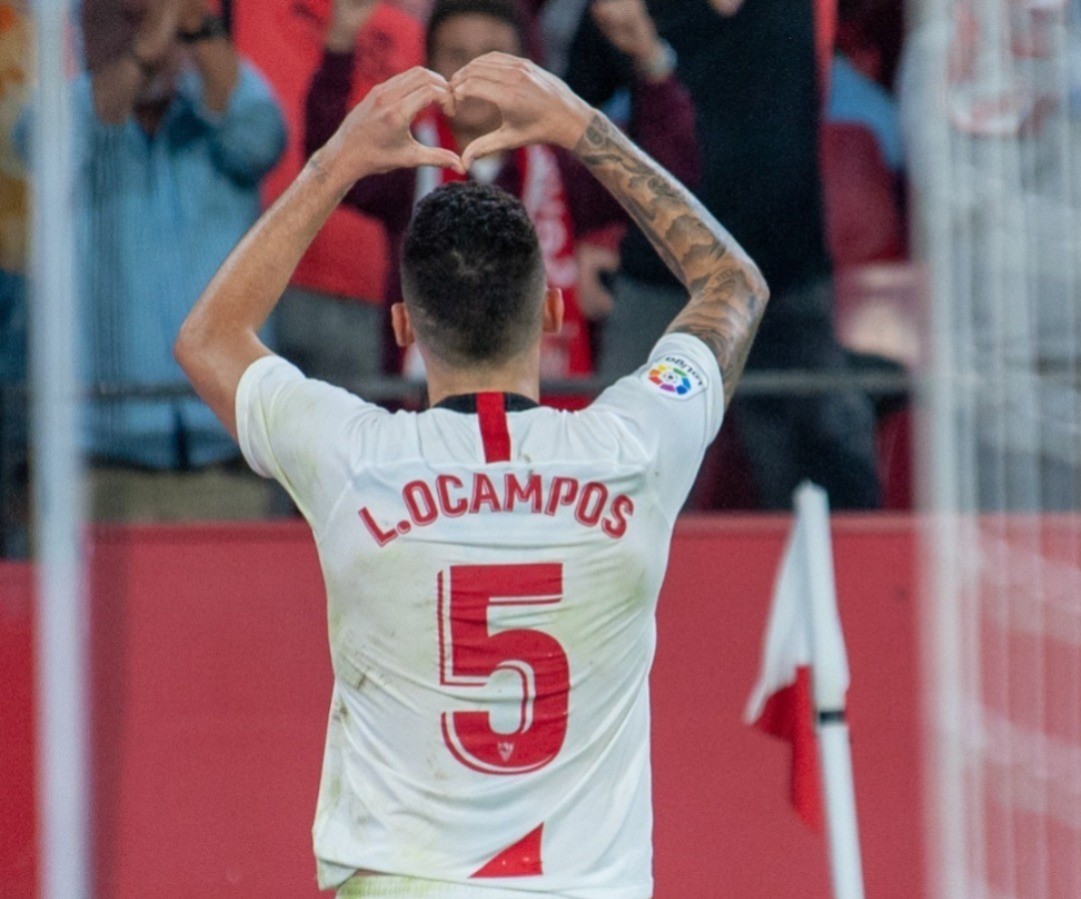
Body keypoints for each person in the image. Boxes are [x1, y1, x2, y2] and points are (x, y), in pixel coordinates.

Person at [175, 54, 767, 898]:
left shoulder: (355, 459)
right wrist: (580, 128)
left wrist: (338, 159)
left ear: (404, 326)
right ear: (553, 309)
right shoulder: (633, 449)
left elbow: (210, 339)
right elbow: (731, 285)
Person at [567, 0, 882, 510]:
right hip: (659, 276)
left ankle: (849, 593)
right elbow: (568, 115)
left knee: (825, 487)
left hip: (787, 277)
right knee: (620, 477)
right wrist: (583, 233)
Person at [304, 0, 699, 381]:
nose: (473, 75)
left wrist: (649, 55)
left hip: (547, 417)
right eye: (455, 54)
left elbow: (663, 182)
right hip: (426, 416)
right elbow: (329, 166)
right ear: (428, 67)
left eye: (492, 59)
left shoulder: (561, 168)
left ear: (528, 70)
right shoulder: (407, 165)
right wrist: (340, 41)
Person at [44, 0, 287, 519]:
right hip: (101, 467)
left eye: (160, 20)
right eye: (125, 19)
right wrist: (139, 55)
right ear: (85, 32)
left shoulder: (220, 119)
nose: (154, 38)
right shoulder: (62, 117)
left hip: (228, 460)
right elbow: (44, 149)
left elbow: (265, 137)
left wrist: (196, 26)